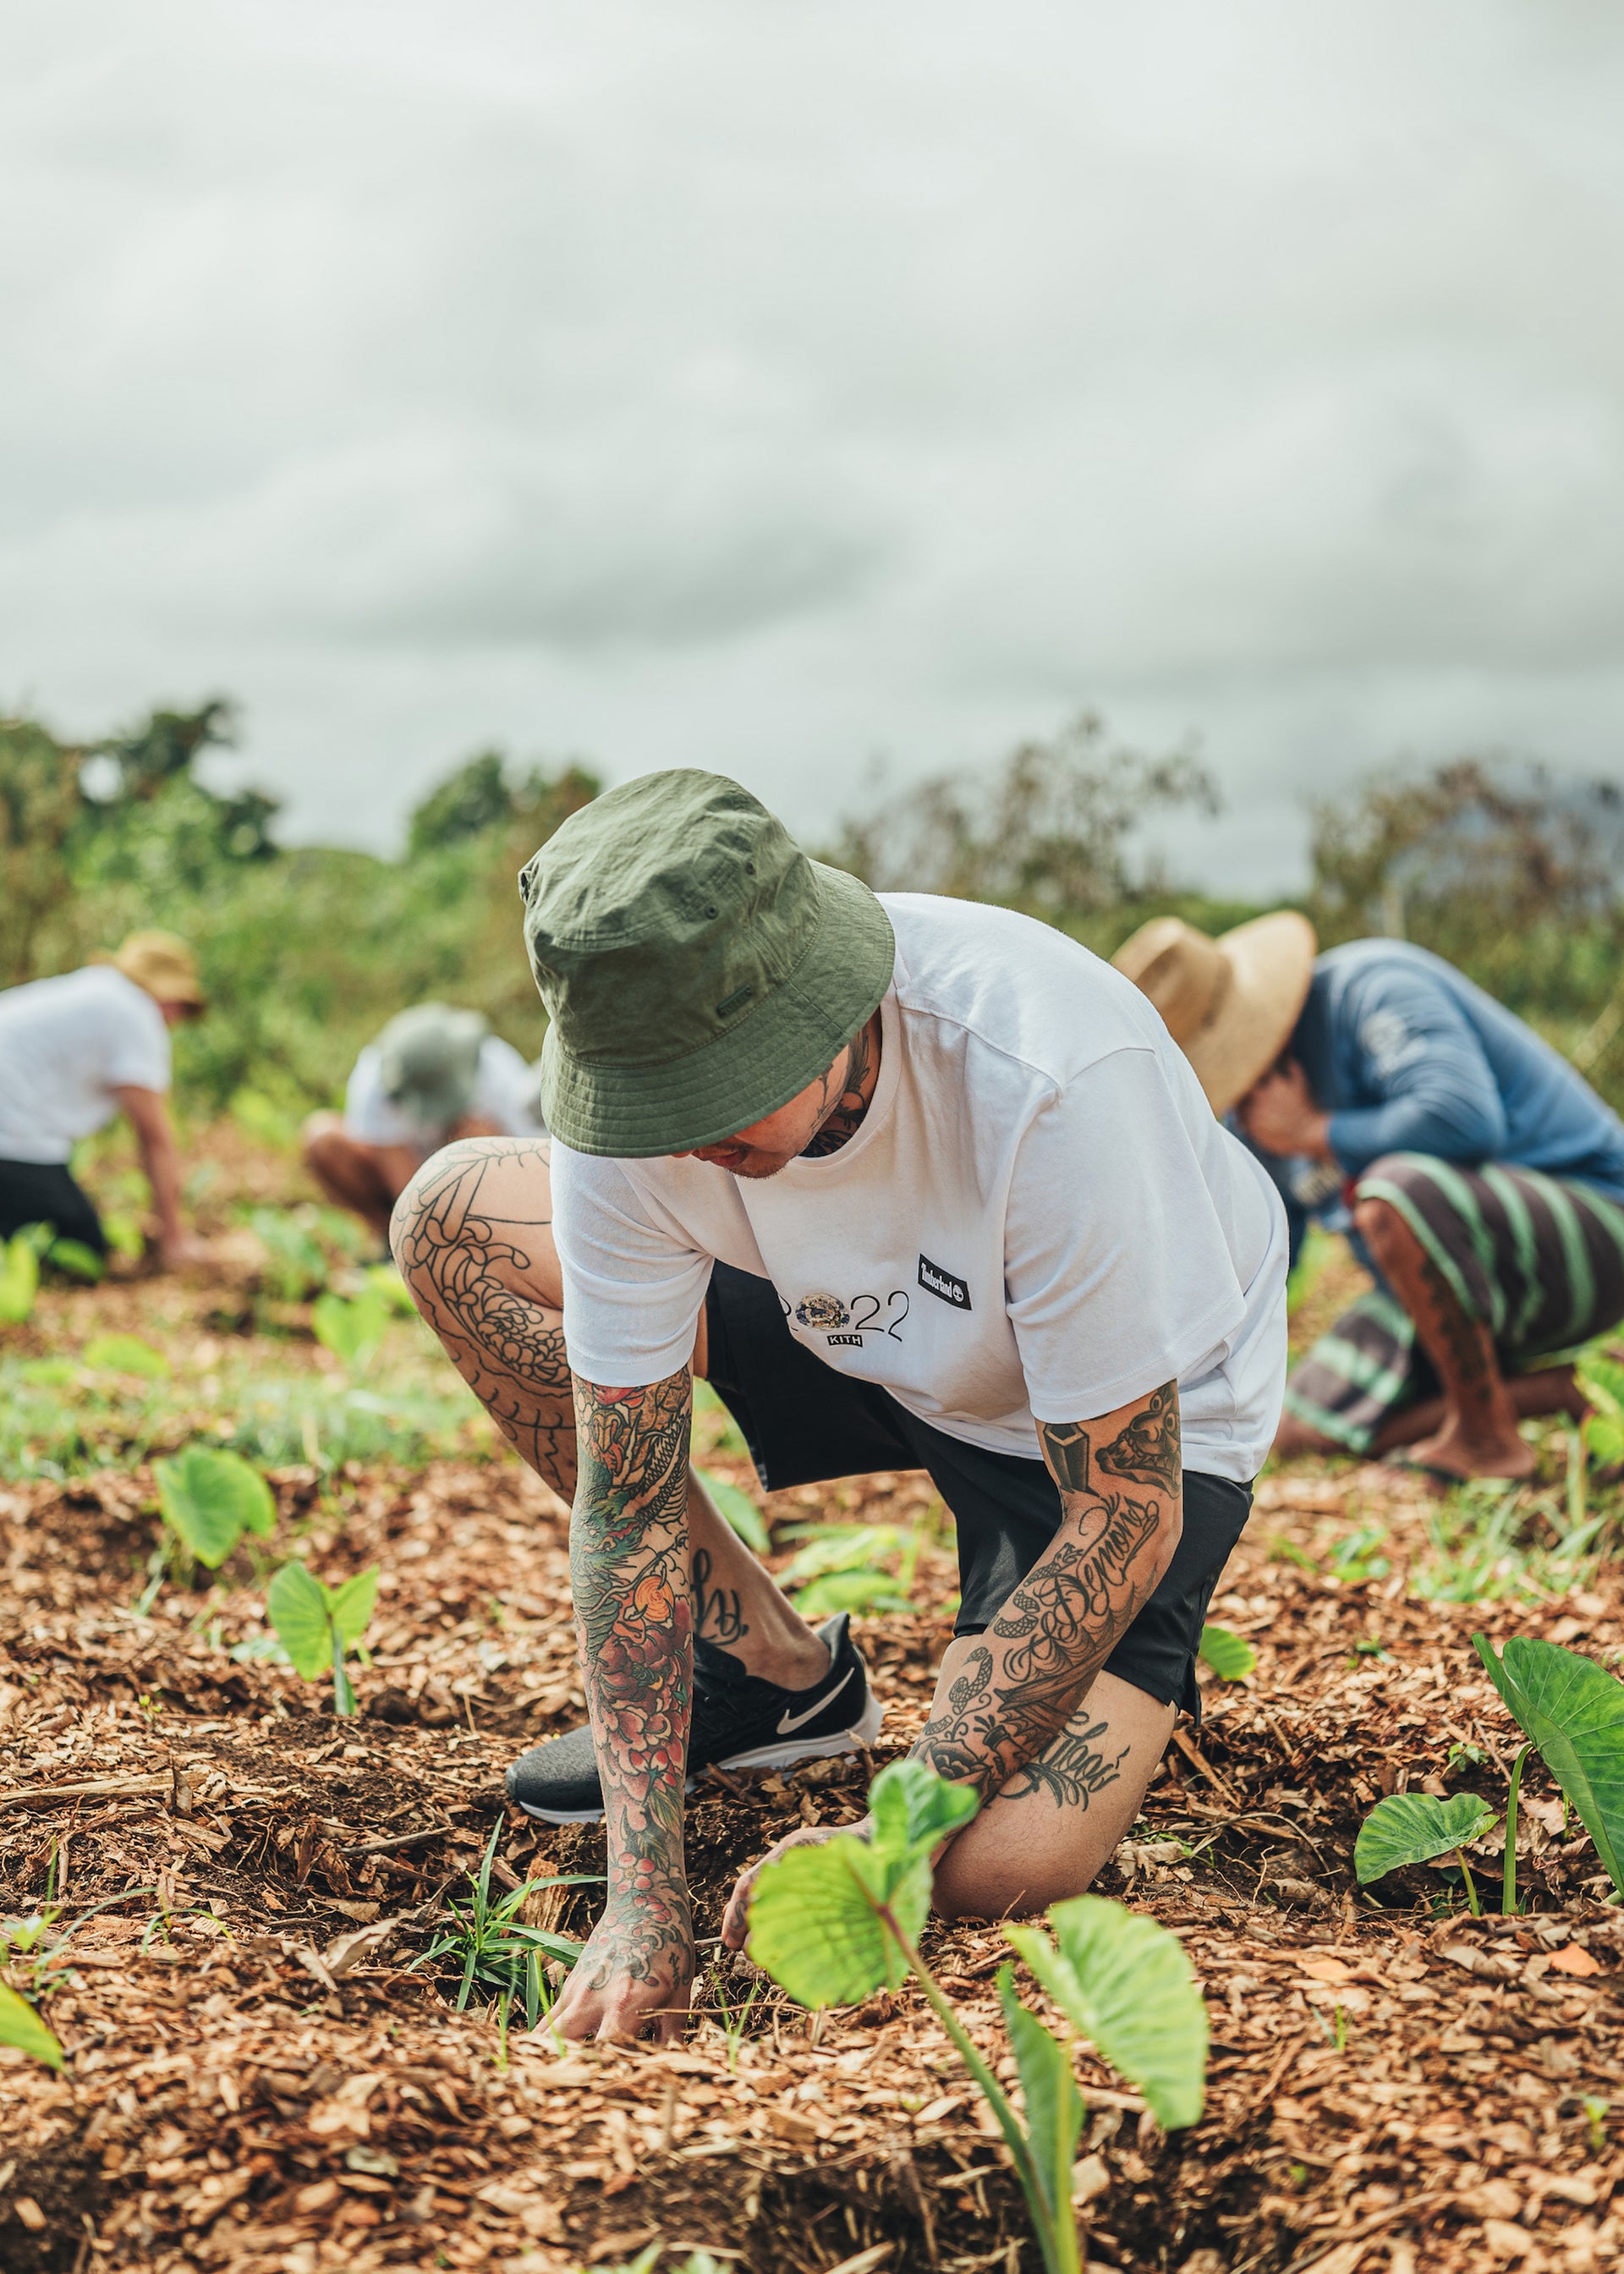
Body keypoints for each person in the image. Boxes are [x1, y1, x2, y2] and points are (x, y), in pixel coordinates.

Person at [391, 770, 1288, 2044]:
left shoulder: (1048, 1070)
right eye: (651, 1108)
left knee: (992, 1874)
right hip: (849, 1317)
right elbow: (626, 1502)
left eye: (715, 1097)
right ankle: (770, 1676)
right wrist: (648, 1893)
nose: (681, 1142)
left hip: (1102, 1407)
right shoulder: (644, 1111)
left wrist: (897, 1827)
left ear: (828, 1009)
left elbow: (1125, 1513)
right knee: (456, 1222)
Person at [1113, 916, 1624, 1482]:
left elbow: (1465, 1117)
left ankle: (1487, 1438)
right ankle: (1559, 1388)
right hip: (1433, 1298)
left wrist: (1314, 1130)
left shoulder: (1372, 988)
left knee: (1393, 1193)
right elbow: (1262, 1258)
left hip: (1593, 1226)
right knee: (1296, 1428)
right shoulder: (1248, 1112)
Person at [0, 930, 209, 1270]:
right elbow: (155, 1137)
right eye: (181, 1007)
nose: (176, 1020)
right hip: (10, 1139)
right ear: (168, 996)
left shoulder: (96, 990)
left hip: (14, 1134)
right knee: (81, 1247)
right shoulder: (135, 1013)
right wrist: (175, 1239)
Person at [302, 1002, 545, 1243]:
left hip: (479, 1174)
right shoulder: (374, 1082)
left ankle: (490, 1235)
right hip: (411, 1169)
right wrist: (422, 1227)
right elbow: (406, 1188)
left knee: (476, 1131)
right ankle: (392, 1241)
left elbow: (530, 1149)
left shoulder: (494, 1064)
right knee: (323, 1138)